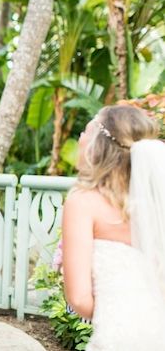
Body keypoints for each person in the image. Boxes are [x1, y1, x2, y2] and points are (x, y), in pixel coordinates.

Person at [62, 104, 165, 350]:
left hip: (119, 333)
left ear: (99, 146)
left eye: (85, 132)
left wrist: (116, 313)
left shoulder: (83, 201)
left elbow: (78, 298)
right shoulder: (157, 204)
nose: (80, 138)